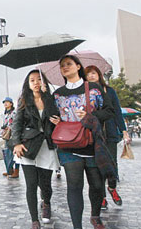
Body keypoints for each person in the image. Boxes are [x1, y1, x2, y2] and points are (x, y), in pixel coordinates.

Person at [53, 55, 116, 229]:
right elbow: (51, 117)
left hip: (92, 143)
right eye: (62, 65)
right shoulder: (57, 93)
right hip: (68, 145)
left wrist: (91, 116)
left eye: (69, 64)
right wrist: (54, 119)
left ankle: (95, 215)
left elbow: (109, 111)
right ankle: (77, 226)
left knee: (96, 184)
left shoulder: (94, 88)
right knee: (74, 185)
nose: (65, 67)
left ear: (78, 66)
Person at [11, 69, 60, 229]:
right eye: (32, 80)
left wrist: (48, 98)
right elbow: (17, 123)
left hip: (46, 145)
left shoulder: (50, 99)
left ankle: (46, 202)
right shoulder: (24, 100)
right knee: (31, 184)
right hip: (29, 146)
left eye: (39, 79)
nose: (36, 83)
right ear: (28, 84)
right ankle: (34, 219)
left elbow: (54, 117)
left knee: (45, 184)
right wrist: (16, 143)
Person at [85, 65, 129, 209]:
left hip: (110, 132)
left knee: (111, 163)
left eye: (93, 73)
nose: (91, 76)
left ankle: (112, 187)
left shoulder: (109, 91)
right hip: (94, 133)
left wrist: (123, 130)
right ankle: (102, 197)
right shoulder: (85, 93)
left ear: (99, 75)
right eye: (88, 74)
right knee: (98, 166)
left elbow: (117, 111)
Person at [1, 97, 19, 178]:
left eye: (7, 102)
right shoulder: (6, 113)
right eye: (4, 102)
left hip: (14, 135)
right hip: (7, 136)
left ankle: (16, 171)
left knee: (15, 153)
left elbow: (16, 123)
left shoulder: (14, 112)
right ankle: (10, 170)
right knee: (8, 153)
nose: (5, 104)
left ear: (11, 103)